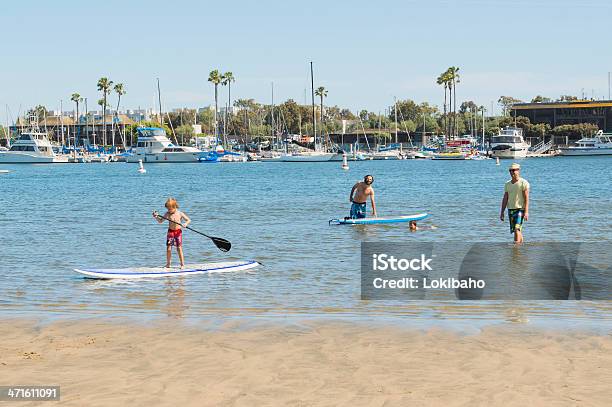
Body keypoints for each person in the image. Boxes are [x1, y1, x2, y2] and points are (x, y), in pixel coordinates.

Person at [153, 197, 191, 268]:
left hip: (178, 233)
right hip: (170, 233)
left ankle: (182, 264)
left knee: (179, 248)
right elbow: (160, 221)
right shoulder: (167, 214)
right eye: (167, 209)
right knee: (168, 248)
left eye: (170, 209)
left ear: (175, 207)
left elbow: (188, 220)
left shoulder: (180, 213)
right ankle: (168, 264)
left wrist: (185, 224)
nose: (169, 210)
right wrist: (156, 217)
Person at [500, 163, 530, 244]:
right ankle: (520, 248)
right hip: (511, 209)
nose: (512, 172)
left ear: (518, 171)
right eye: (510, 170)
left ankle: (516, 248)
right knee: (516, 230)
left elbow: (526, 198)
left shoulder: (524, 182)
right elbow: (505, 198)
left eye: (514, 170)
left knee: (517, 228)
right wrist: (502, 212)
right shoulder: (507, 184)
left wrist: (526, 211)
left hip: (521, 209)